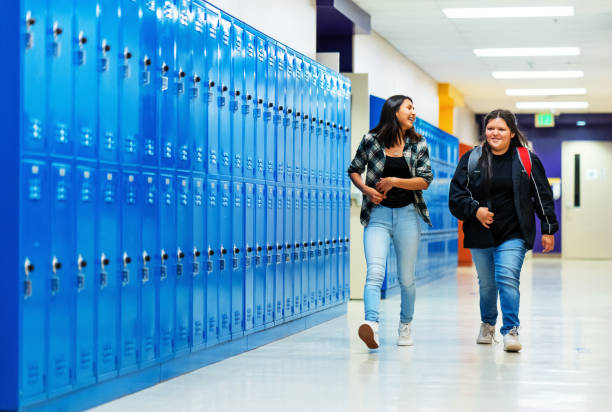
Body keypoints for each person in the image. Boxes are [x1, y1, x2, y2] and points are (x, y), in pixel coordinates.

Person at [449, 109, 558, 352]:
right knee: (487, 284)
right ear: (484, 131)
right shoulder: (472, 159)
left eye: (501, 129)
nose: (495, 133)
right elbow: (456, 196)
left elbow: (542, 195)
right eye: (490, 128)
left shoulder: (526, 159)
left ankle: (510, 330)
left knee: (507, 278)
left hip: (514, 232)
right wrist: (475, 210)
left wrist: (548, 228)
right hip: (480, 233)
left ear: (511, 132)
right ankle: (487, 323)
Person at [348, 95, 433, 349]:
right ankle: (371, 324)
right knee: (375, 271)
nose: (413, 112)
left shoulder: (418, 144)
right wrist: (365, 189)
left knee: (406, 278)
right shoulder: (371, 141)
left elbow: (425, 180)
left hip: (408, 214)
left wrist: (395, 181)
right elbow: (354, 168)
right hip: (378, 216)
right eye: (409, 107)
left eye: (414, 107)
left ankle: (405, 325)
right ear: (394, 111)